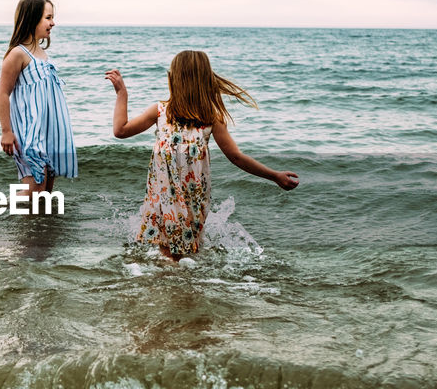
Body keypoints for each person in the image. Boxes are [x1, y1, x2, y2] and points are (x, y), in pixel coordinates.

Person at [105, 50, 298, 260]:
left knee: (179, 254)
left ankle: (178, 288)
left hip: (191, 198)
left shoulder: (209, 118)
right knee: (172, 253)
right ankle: (184, 288)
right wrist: (122, 94)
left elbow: (236, 157)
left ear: (174, 79)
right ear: (205, 79)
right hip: (165, 196)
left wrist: (274, 176)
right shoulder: (161, 112)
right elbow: (121, 130)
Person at [0, 0, 77, 193]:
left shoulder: (41, 53)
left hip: (48, 132)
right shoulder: (18, 54)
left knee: (46, 192)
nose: (53, 23)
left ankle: (38, 225)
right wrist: (6, 131)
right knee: (35, 189)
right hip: (28, 132)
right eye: (48, 17)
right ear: (32, 19)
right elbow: (3, 94)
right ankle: (5, 214)